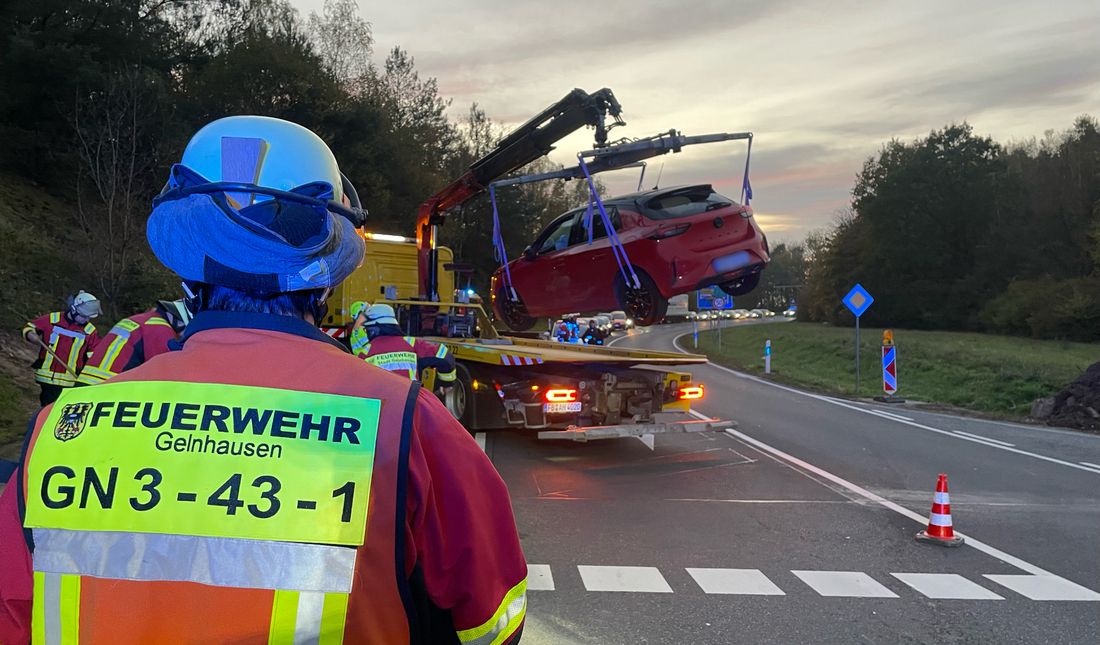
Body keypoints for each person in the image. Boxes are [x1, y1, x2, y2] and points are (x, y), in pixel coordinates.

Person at [0, 115, 526, 645]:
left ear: (188, 272)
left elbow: (12, 614)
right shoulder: (404, 421)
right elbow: (492, 621)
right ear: (325, 276)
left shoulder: (60, 428)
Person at [75, 299, 192, 385]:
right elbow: (162, 374)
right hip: (108, 387)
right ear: (180, 322)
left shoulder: (142, 320)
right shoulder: (161, 329)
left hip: (89, 382)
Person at [21, 291, 103, 405]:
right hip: (47, 379)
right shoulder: (52, 319)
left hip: (71, 382)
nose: (87, 320)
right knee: (47, 408)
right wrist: (30, 334)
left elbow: (95, 355)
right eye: (84, 316)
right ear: (74, 310)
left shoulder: (90, 331)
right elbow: (30, 327)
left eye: (89, 317)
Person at [351, 303, 457, 387]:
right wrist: (446, 384)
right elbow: (445, 357)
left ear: (374, 329)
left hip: (383, 405)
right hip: (411, 404)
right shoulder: (412, 343)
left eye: (367, 329)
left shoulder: (365, 353)